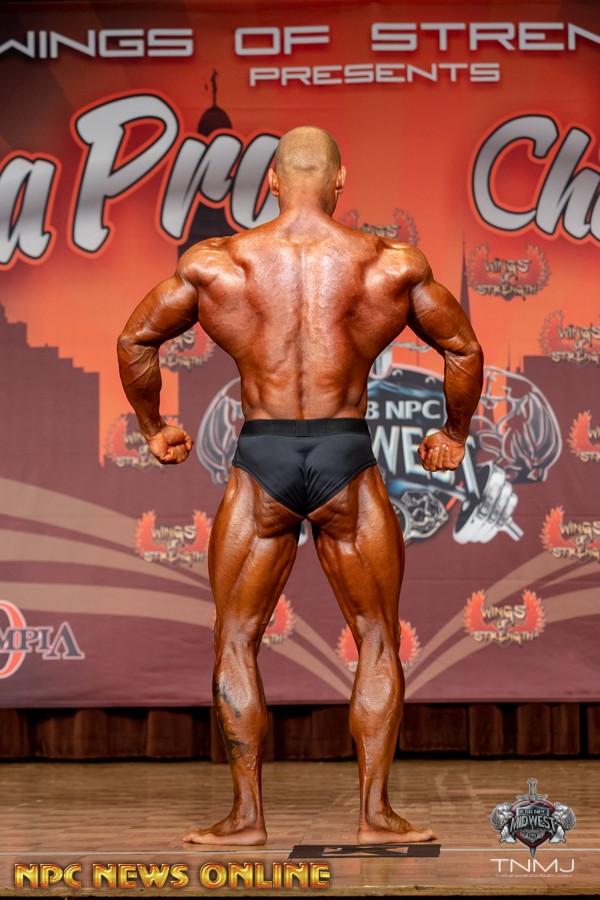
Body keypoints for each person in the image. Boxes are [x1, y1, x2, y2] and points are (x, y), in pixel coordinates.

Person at [117, 126, 483, 846]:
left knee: (236, 640)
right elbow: (463, 348)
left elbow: (136, 339)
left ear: (274, 181)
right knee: (377, 638)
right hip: (348, 456)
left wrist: (154, 427)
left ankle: (247, 819)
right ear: (341, 180)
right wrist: (454, 433)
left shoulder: (219, 263)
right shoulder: (389, 264)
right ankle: (375, 816)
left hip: (264, 459)